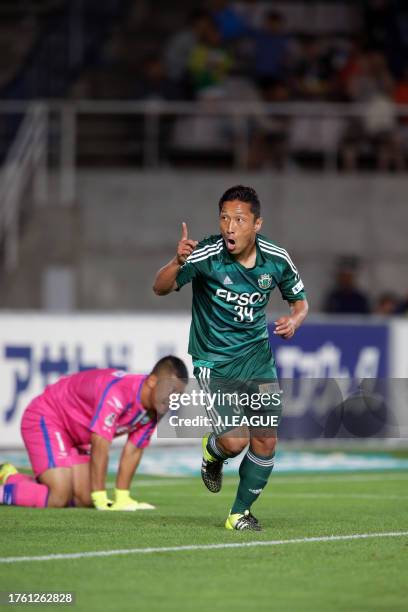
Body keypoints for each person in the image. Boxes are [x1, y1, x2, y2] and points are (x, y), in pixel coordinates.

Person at [153, 185, 308, 530]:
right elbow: (160, 287)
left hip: (258, 361)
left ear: (257, 224)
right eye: (224, 218)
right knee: (235, 441)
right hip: (215, 362)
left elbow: (299, 301)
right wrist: (176, 261)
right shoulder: (205, 253)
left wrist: (295, 320)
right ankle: (214, 451)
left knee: (266, 438)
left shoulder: (277, 259)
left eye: (239, 219)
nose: (229, 227)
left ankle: (239, 513)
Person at [0, 356, 187, 510]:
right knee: (58, 497)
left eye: (178, 394)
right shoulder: (119, 391)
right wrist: (100, 497)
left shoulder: (156, 408)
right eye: (171, 391)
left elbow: (134, 449)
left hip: (74, 434)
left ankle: (11, 477)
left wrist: (122, 497)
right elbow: (100, 442)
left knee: (84, 499)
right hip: (47, 416)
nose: (173, 399)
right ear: (153, 381)